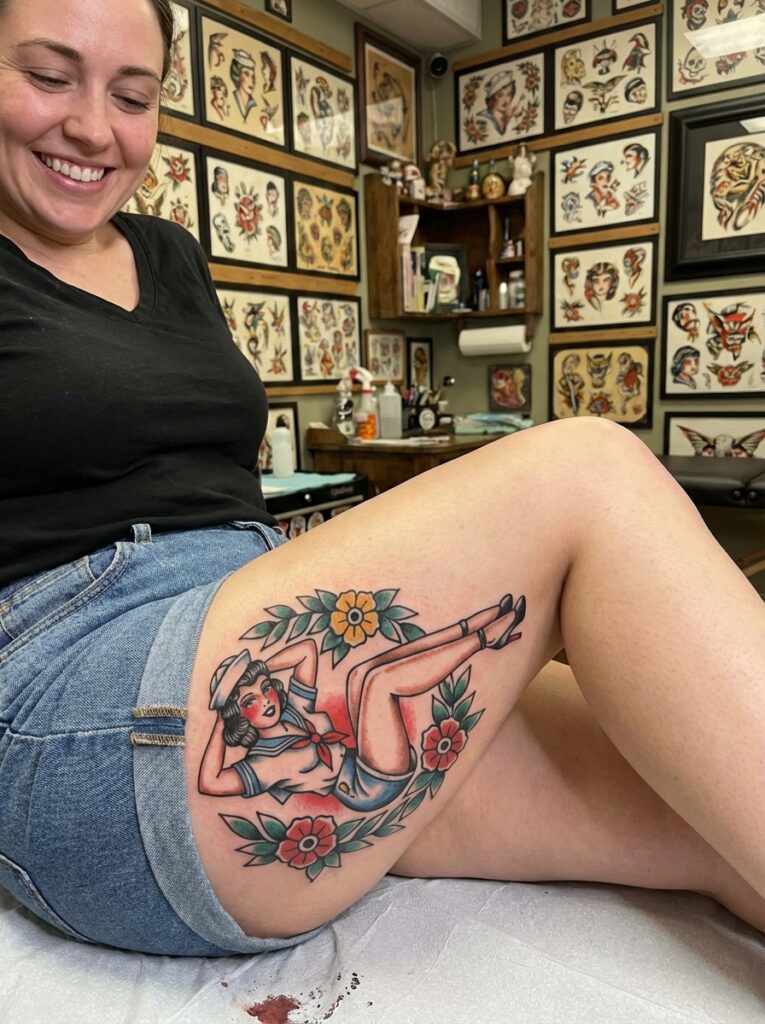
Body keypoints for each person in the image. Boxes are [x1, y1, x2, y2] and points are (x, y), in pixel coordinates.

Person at [0, 0, 764, 962]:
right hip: (81, 691)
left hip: (235, 608)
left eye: (134, 94)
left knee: (710, 804)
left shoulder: (167, 256)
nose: (92, 126)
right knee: (588, 470)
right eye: (48, 75)